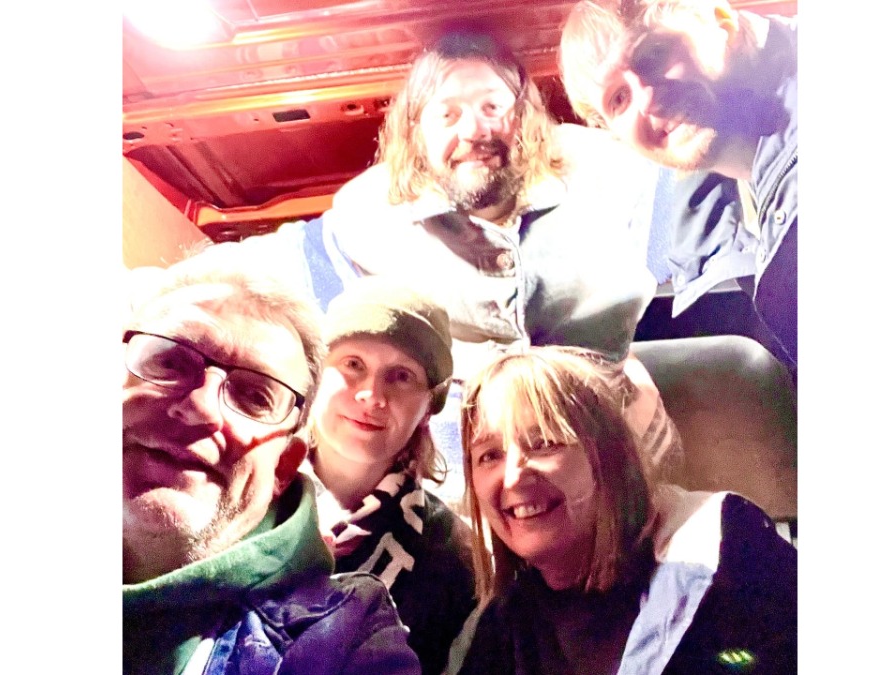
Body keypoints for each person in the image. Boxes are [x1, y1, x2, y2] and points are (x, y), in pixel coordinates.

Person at [318, 28, 750, 501]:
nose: (474, 131)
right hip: (468, 460)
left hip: (618, 431)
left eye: (492, 107)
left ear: (524, 115)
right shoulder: (366, 215)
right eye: (448, 114)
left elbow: (711, 213)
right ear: (415, 131)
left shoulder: (614, 168)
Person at [122, 243, 419, 675]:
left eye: (255, 396)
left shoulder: (348, 637)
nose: (202, 406)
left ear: (283, 466)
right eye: (169, 361)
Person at [451, 346, 796, 675]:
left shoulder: (724, 557)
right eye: (489, 455)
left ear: (608, 457)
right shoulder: (498, 627)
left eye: (544, 443)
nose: (513, 477)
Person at [560, 0, 798, 366]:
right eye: (619, 98)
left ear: (722, 23)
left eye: (654, 56)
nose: (647, 100)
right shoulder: (702, 217)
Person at [303, 276, 478, 675]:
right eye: (353, 364)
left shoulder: (455, 558)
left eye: (401, 376)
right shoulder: (242, 493)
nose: (372, 395)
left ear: (428, 407)